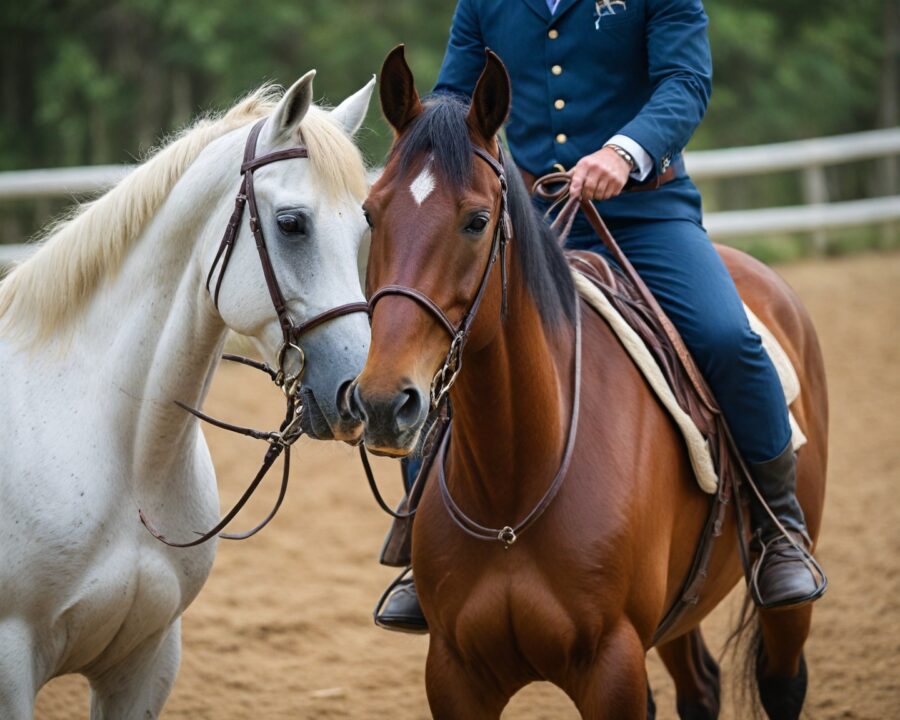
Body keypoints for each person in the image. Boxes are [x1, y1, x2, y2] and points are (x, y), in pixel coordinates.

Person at [375, 0, 827, 633]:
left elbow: (685, 81)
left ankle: (778, 526)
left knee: (727, 338)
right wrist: (425, 133)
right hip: (530, 221)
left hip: (648, 216)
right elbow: (454, 97)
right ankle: (418, 526)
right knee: (444, 344)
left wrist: (624, 151)